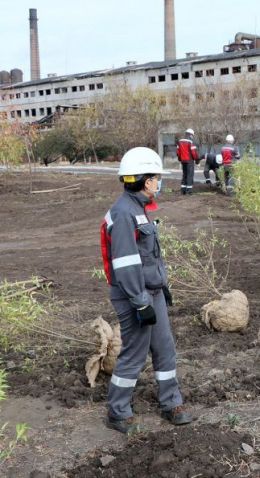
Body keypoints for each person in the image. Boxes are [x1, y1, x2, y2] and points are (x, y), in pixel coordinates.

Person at [99, 147, 192, 434]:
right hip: (133, 297)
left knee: (165, 349)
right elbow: (126, 265)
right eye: (156, 177)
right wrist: (140, 302)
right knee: (134, 355)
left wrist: (160, 289)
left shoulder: (140, 208)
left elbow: (149, 256)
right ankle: (117, 412)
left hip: (150, 292)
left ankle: (170, 402)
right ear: (145, 180)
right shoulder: (124, 213)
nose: (159, 182)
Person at [176, 128, 199, 195]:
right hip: (189, 160)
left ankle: (183, 189)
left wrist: (179, 158)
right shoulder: (191, 142)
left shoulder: (180, 141)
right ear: (191, 135)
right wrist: (197, 159)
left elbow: (178, 152)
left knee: (184, 174)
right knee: (190, 175)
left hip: (183, 160)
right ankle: (189, 191)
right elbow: (194, 153)